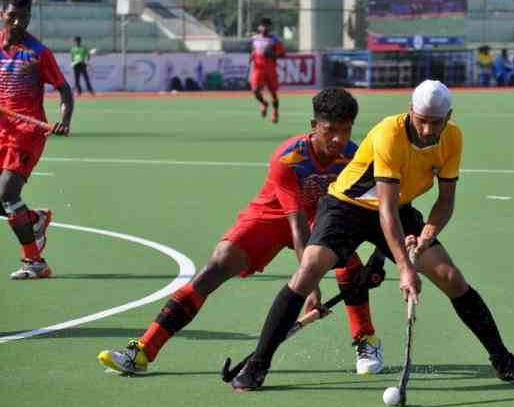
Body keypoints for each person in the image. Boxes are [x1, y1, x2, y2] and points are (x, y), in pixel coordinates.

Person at [229, 79, 514, 391]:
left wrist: (424, 238)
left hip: (399, 209)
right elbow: (385, 210)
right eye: (421, 121)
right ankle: (258, 365)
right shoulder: (388, 134)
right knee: (307, 272)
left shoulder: (452, 139)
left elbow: (445, 201)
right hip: (347, 207)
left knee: (451, 277)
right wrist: (406, 269)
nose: (426, 130)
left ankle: (503, 361)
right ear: (410, 112)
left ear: (448, 118)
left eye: (436, 123)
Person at [97, 88, 387, 376]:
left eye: (346, 131)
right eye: (330, 130)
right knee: (218, 264)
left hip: (322, 216)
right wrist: (311, 287)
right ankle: (144, 351)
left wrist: (378, 257)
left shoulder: (356, 157)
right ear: (314, 127)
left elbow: (377, 208)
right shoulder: (289, 159)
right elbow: (296, 226)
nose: (338, 139)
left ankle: (365, 338)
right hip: (274, 215)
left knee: (346, 259)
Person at [1, 0, 74, 279]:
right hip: (2, 129)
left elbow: (65, 91)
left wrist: (64, 120)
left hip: (27, 132)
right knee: (3, 200)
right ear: (3, 14)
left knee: (7, 191)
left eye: (25, 17)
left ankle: (35, 263)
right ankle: (35, 219)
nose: (19, 22)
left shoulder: (38, 53)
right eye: (13, 15)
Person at [249, 17, 285, 124]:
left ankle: (275, 112)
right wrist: (251, 57)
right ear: (259, 27)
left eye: (266, 25)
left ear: (269, 27)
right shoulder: (254, 39)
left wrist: (273, 54)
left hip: (270, 69)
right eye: (262, 25)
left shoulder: (274, 40)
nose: (264, 27)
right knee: (255, 90)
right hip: (258, 69)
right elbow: (253, 51)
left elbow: (282, 53)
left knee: (273, 93)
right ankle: (264, 103)